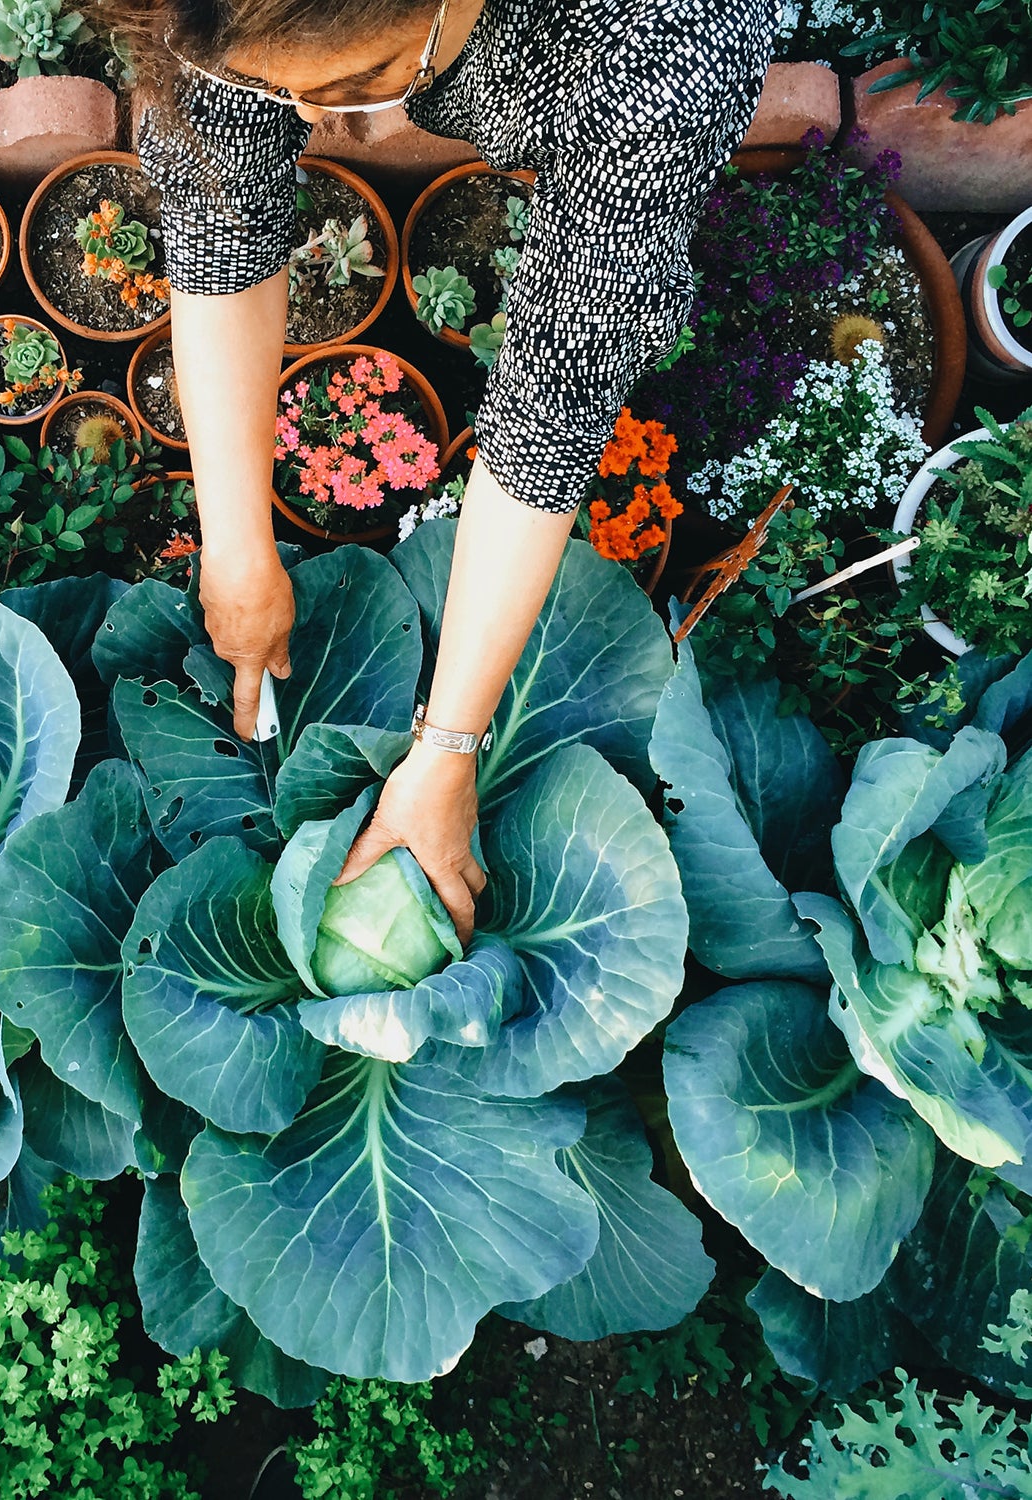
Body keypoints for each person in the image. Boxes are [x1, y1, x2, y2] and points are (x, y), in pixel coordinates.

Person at [113, 0, 775, 944]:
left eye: (352, 85)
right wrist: (236, 549)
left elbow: (556, 397)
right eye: (272, 86)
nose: (314, 116)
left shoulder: (666, 49)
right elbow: (221, 216)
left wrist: (450, 749)